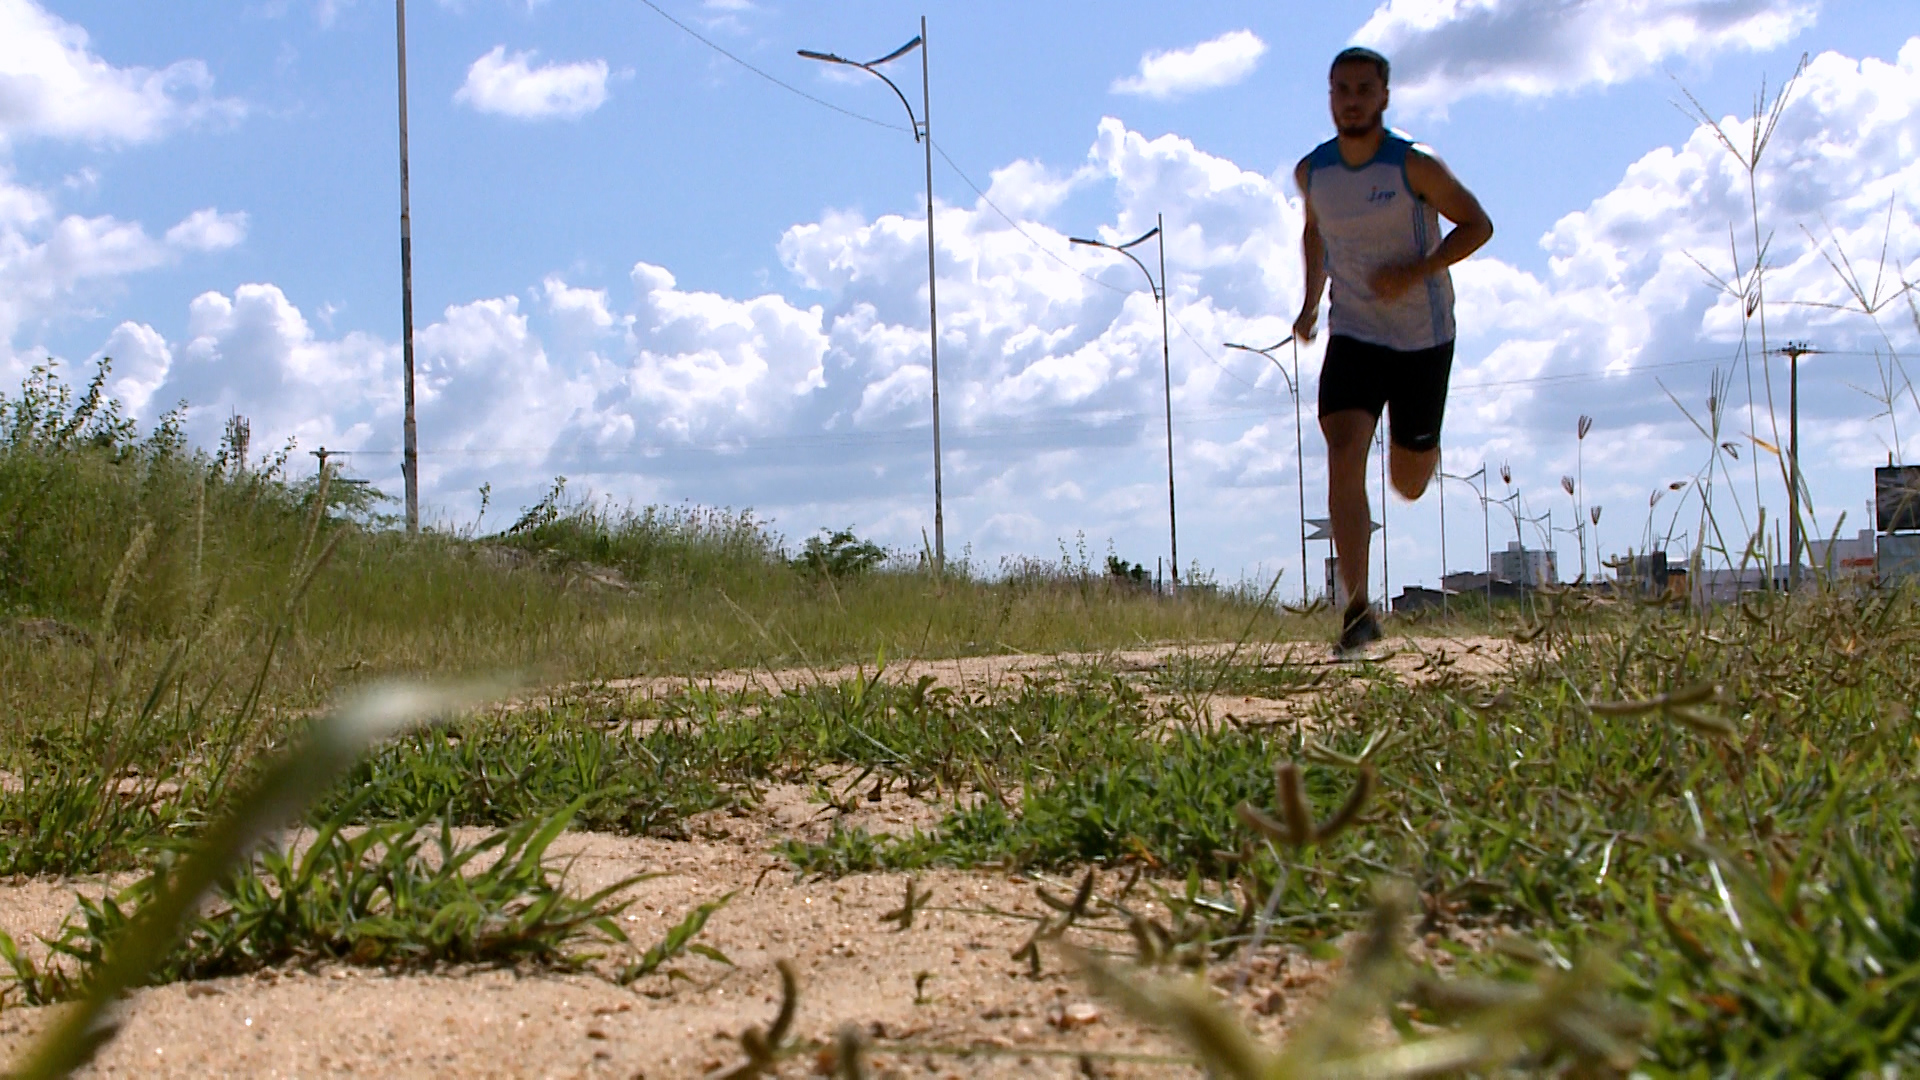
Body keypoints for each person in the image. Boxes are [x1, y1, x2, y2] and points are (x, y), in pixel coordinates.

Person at [1293, 46, 1493, 655]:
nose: (1350, 100)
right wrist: (1309, 302)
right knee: (1344, 449)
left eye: (1362, 89)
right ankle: (1357, 610)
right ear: (1330, 97)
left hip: (1421, 337)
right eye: (1339, 89)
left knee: (1407, 483)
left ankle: (1421, 445)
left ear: (1383, 97)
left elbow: (1477, 225)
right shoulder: (1313, 173)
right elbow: (1314, 232)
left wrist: (1418, 269)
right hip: (1353, 331)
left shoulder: (1415, 165)